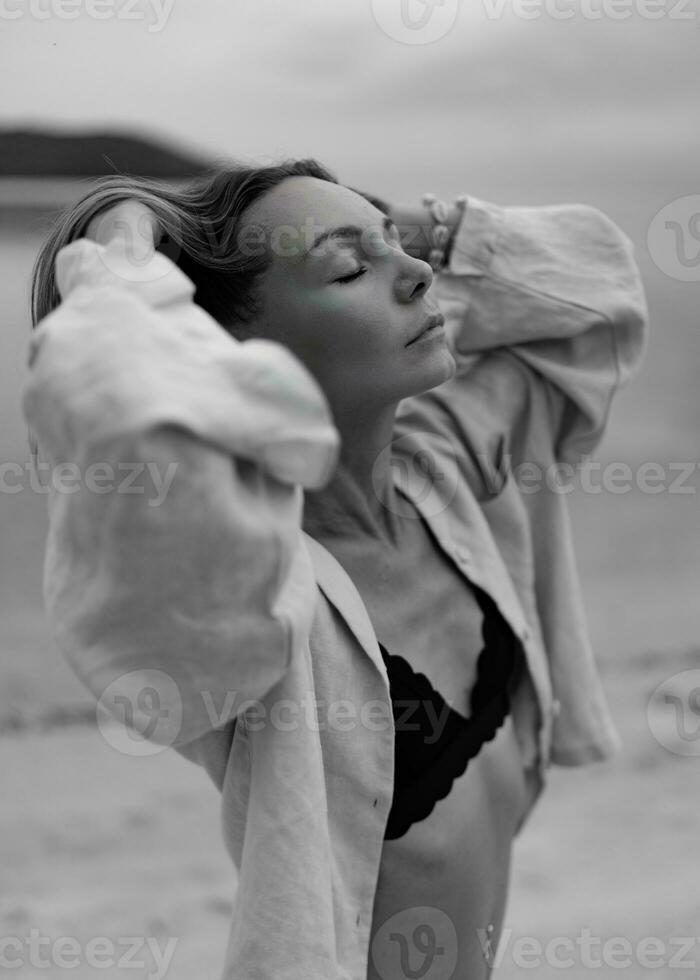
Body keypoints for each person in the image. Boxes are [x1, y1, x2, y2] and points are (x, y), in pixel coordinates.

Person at [23, 159, 648, 980]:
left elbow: (598, 285)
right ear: (238, 353)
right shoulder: (250, 595)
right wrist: (121, 242)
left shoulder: (450, 465)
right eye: (351, 267)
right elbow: (120, 405)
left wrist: (406, 230)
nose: (417, 273)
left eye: (399, 246)